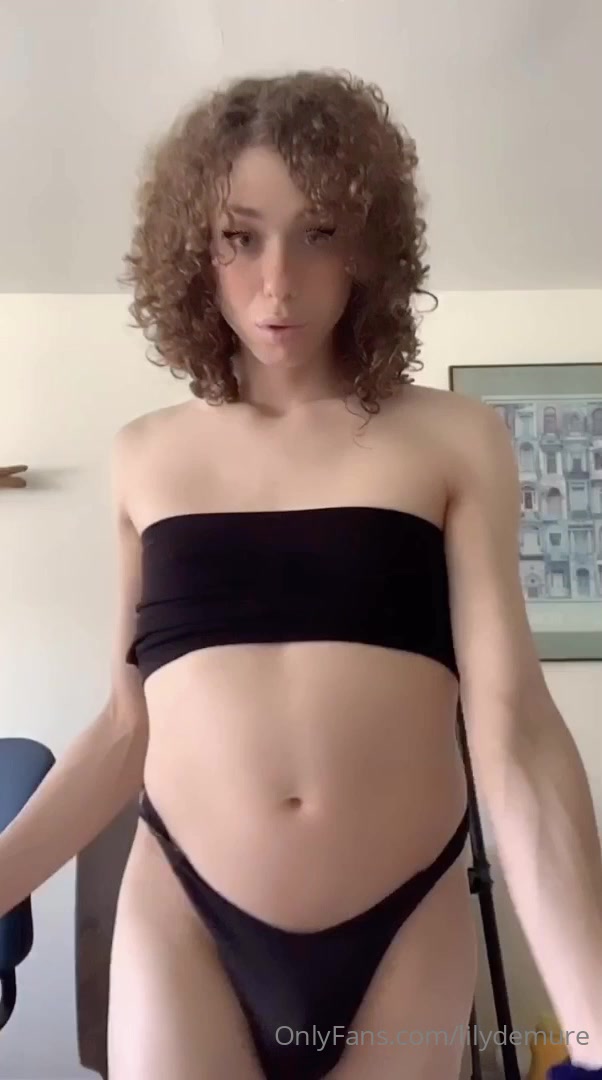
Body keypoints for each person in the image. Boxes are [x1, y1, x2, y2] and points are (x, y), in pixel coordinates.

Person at [1, 69, 601, 1080]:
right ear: (193, 250)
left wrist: (591, 1026)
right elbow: (122, 725)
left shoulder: (455, 440)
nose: (278, 284)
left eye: (318, 232)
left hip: (405, 921)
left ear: (367, 245)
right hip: (186, 916)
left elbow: (514, 728)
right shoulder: (146, 456)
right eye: (240, 238)